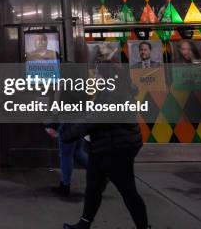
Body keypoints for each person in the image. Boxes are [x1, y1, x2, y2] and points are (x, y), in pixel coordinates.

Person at [60, 70, 149, 229]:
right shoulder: (110, 91)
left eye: (97, 75)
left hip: (116, 150)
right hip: (102, 147)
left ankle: (144, 227)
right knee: (93, 188)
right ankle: (84, 224)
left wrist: (67, 135)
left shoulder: (111, 94)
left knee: (128, 192)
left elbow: (93, 119)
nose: (93, 78)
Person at [47, 123, 88, 197]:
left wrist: (54, 126)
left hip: (68, 125)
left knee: (66, 156)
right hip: (80, 123)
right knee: (77, 152)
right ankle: (101, 173)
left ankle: (65, 185)